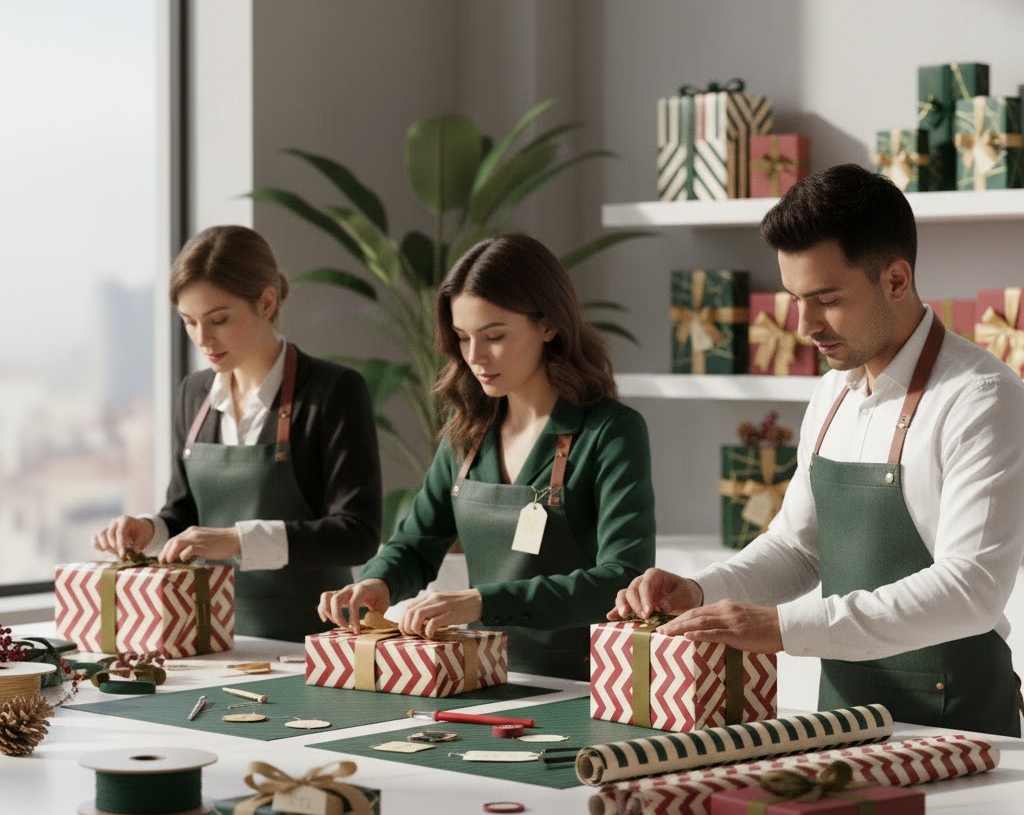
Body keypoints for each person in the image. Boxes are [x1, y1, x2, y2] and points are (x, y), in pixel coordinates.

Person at [611, 163, 1024, 737]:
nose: (804, 324)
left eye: (826, 298)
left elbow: (970, 590)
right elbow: (798, 548)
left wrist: (780, 627)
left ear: (896, 280)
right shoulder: (833, 390)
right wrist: (702, 591)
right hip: (841, 719)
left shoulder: (982, 397)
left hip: (956, 726)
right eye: (795, 298)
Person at [318, 233, 656, 681]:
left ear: (548, 325)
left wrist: (481, 602)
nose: (475, 357)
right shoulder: (466, 433)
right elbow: (416, 544)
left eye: (494, 336)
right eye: (462, 338)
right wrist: (377, 582)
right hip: (477, 676)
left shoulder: (611, 432)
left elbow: (622, 578)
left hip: (591, 685)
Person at [93, 225, 382, 641]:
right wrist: (150, 530)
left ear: (266, 302)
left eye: (219, 320)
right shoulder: (194, 394)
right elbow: (185, 515)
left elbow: (357, 534)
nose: (202, 339)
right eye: (189, 322)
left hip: (313, 643)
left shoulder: (332, 392)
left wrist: (236, 540)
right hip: (208, 639)